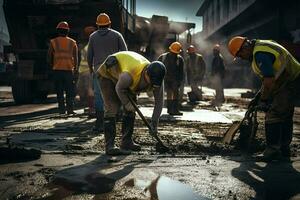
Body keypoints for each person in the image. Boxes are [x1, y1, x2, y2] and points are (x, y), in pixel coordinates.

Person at [228, 36, 300, 161]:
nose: (242, 58)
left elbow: (269, 81)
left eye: (240, 55)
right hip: (290, 78)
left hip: (289, 81)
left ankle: (272, 150)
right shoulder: (261, 46)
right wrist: (257, 98)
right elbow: (269, 77)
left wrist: (264, 100)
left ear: (245, 48)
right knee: (285, 114)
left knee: (273, 115)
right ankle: (283, 149)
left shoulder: (259, 54)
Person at [97, 51, 166, 156]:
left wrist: (154, 123)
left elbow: (159, 102)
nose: (153, 86)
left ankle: (126, 142)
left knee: (131, 110)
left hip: (125, 78)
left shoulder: (157, 79)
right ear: (146, 73)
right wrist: (126, 103)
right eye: (151, 82)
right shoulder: (129, 75)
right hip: (109, 73)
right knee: (112, 108)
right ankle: (109, 145)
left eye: (155, 84)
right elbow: (119, 88)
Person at [87, 13, 128, 132]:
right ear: (109, 23)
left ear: (97, 24)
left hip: (99, 70)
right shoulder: (117, 35)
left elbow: (90, 56)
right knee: (115, 93)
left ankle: (100, 123)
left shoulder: (93, 37)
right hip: (114, 70)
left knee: (99, 96)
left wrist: (91, 69)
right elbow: (125, 53)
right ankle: (115, 118)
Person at [47, 21, 78, 115]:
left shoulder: (53, 42)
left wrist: (51, 66)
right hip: (69, 70)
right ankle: (70, 110)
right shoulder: (73, 42)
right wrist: (75, 69)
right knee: (69, 91)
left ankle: (61, 111)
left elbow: (49, 56)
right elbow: (76, 57)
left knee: (59, 91)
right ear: (67, 31)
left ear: (58, 31)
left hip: (57, 70)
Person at [158, 42, 184, 115]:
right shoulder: (162, 57)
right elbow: (157, 68)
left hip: (175, 80)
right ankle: (171, 109)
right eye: (173, 53)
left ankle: (174, 110)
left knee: (175, 93)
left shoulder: (179, 59)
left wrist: (180, 81)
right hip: (165, 79)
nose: (174, 54)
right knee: (170, 93)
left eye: (175, 53)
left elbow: (181, 72)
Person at [77, 26, 96, 116]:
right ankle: (91, 107)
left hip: (88, 71)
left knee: (89, 90)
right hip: (84, 71)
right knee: (84, 89)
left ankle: (92, 109)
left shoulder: (91, 45)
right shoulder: (90, 44)